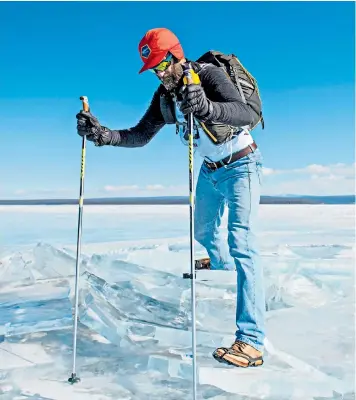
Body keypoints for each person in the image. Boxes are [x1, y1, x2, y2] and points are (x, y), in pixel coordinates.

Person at [76, 27, 265, 368]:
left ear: (177, 56)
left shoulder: (209, 76)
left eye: (163, 66)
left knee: (243, 243)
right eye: (154, 71)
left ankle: (250, 341)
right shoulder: (166, 97)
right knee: (203, 232)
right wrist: (102, 135)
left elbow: (245, 114)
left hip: (241, 164)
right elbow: (139, 135)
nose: (161, 76)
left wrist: (207, 107)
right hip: (209, 169)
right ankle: (221, 268)